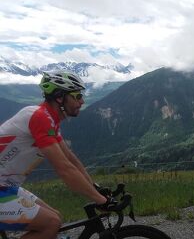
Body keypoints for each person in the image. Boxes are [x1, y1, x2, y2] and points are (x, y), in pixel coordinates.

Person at [0, 71, 111, 239]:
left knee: (56, 218)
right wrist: (101, 200)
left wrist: (96, 189)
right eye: (77, 96)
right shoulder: (40, 118)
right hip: (3, 187)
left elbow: (70, 159)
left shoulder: (50, 121)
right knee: (50, 223)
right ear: (60, 97)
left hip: (6, 186)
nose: (82, 101)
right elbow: (64, 169)